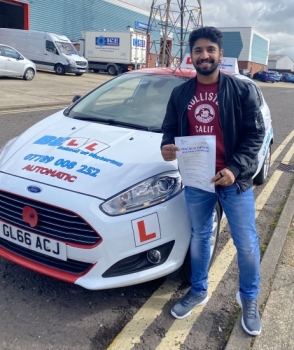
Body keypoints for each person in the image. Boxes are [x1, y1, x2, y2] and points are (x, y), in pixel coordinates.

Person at [160, 26, 265, 336]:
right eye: (198, 51)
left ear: (220, 54)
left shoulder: (242, 90)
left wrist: (234, 168)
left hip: (233, 180)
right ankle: (198, 289)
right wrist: (166, 146)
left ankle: (248, 298)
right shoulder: (180, 93)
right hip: (197, 181)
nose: (204, 55)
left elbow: (255, 134)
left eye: (210, 50)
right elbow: (169, 129)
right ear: (191, 57)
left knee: (245, 243)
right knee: (201, 236)